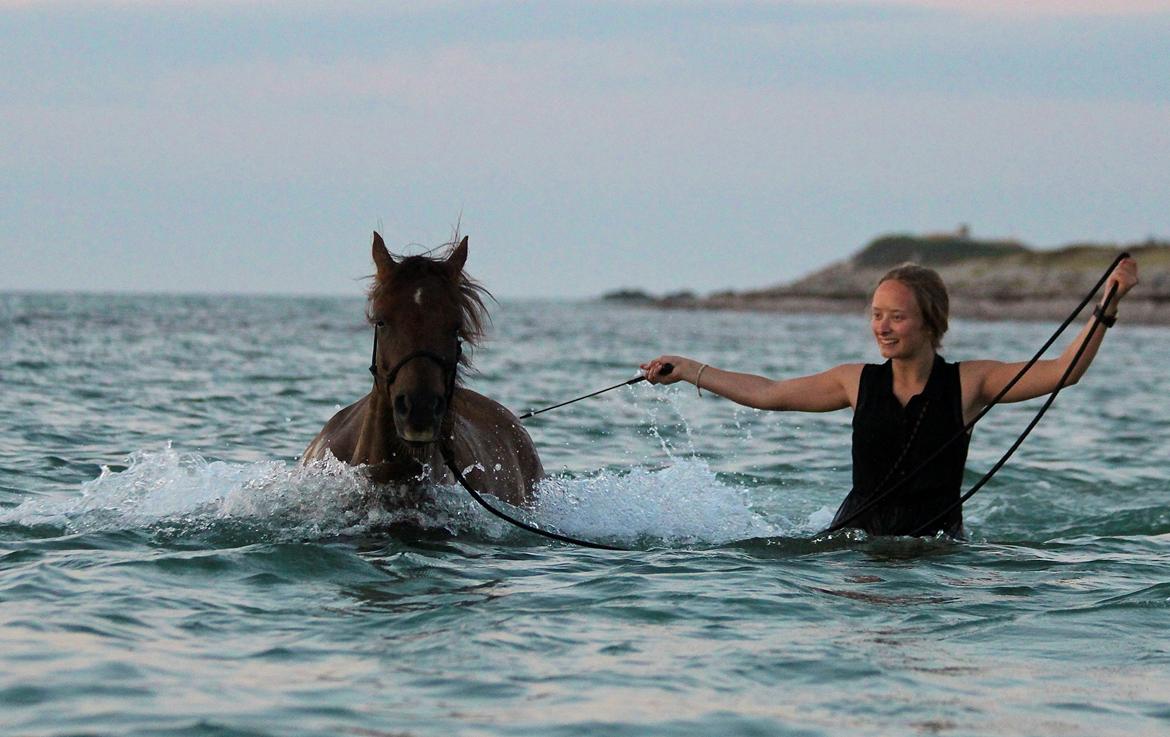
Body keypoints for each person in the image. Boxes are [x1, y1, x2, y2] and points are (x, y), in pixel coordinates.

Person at [641, 258, 1139, 537]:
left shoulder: (971, 384)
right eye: (877, 314)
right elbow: (770, 394)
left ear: (931, 322)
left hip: (936, 546)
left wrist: (1107, 307)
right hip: (855, 540)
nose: (882, 326)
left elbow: (1062, 371)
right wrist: (689, 370)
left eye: (896, 316)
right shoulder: (854, 382)